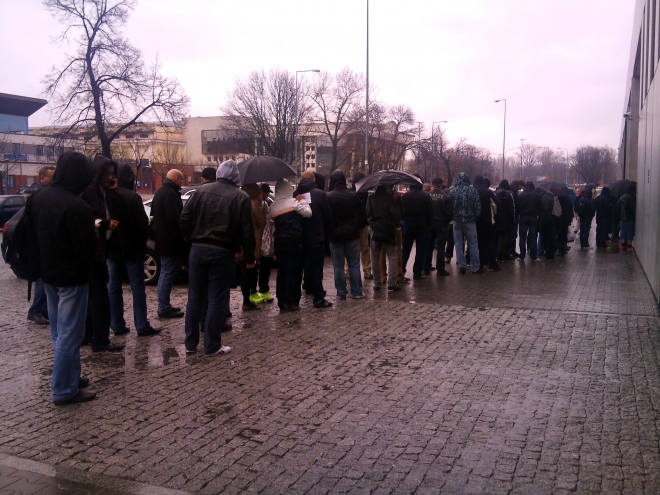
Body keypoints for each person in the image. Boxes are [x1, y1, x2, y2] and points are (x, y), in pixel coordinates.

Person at [33, 151, 97, 405]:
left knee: (59, 330)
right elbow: (85, 247)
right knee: (70, 332)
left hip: (48, 273)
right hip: (71, 276)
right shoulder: (76, 205)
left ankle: (70, 375)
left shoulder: (40, 197)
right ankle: (63, 388)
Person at [180, 160, 255, 355]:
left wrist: (191, 238)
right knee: (216, 298)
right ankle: (212, 345)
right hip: (223, 252)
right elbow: (247, 231)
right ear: (236, 177)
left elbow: (184, 219)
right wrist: (249, 257)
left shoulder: (200, 192)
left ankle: (190, 344)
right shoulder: (241, 197)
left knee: (194, 298)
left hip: (198, 249)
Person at [106, 163, 160, 337]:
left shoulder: (107, 196)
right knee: (137, 286)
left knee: (114, 286)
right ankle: (141, 324)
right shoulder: (133, 197)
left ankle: (116, 323)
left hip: (113, 248)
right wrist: (142, 242)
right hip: (132, 249)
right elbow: (142, 224)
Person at [80, 155, 125, 353]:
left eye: (112, 174)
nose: (110, 177)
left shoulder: (104, 193)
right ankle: (99, 339)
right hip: (92, 253)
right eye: (107, 174)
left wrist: (113, 191)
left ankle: (91, 335)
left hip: (102, 250)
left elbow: (116, 212)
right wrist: (104, 224)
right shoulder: (88, 193)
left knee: (96, 297)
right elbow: (88, 219)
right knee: (99, 298)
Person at [293, 170, 333, 309]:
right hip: (316, 237)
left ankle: (294, 299)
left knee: (298, 269)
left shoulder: (295, 194)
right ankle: (318, 298)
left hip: (299, 238)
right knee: (316, 269)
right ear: (314, 180)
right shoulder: (320, 194)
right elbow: (328, 216)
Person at [271, 179, 312, 312]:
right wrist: (302, 200)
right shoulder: (293, 202)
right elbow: (308, 213)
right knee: (292, 271)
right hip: (293, 240)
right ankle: (290, 300)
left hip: (278, 241)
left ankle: (281, 300)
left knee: (281, 271)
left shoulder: (273, 206)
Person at [152, 169, 186, 318]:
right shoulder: (171, 194)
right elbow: (176, 219)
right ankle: (163, 307)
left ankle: (164, 304)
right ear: (177, 178)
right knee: (167, 273)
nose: (182, 183)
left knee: (165, 273)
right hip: (170, 241)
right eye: (182, 179)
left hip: (162, 240)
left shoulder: (160, 192)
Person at [25, 165, 55, 325]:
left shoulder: (40, 193)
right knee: (43, 279)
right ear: (43, 177)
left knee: (44, 279)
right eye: (51, 176)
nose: (54, 179)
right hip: (40, 243)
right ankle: (36, 310)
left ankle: (42, 309)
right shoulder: (39, 194)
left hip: (41, 242)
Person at [327, 170, 364, 300]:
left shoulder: (329, 197)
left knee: (338, 266)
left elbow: (327, 217)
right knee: (354, 264)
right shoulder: (353, 196)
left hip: (335, 236)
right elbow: (360, 215)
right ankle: (357, 291)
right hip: (351, 235)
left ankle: (341, 292)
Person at [368, 185, 401, 291]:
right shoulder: (390, 198)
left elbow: (368, 214)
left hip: (376, 229)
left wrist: (373, 224)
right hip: (389, 229)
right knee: (392, 255)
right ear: (386, 186)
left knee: (375, 256)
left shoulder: (371, 198)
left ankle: (376, 282)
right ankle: (392, 282)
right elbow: (395, 215)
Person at [240, 183, 267, 310]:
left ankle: (247, 298)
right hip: (253, 238)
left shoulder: (239, 199)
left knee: (244, 269)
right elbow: (261, 222)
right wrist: (264, 211)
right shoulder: (254, 203)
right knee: (251, 268)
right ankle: (249, 297)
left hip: (240, 240)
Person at [449, 172, 481, 274]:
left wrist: (452, 217)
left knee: (458, 243)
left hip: (456, 221)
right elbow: (477, 207)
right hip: (470, 221)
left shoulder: (452, 192)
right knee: (473, 243)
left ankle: (462, 265)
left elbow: (449, 207)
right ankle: (475, 267)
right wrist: (474, 217)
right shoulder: (473, 191)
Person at [401, 176, 433, 279]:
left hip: (408, 226)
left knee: (405, 249)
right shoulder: (426, 197)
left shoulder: (405, 196)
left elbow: (401, 212)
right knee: (421, 249)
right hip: (422, 226)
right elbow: (430, 213)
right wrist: (428, 224)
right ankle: (417, 271)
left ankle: (401, 270)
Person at [425, 178, 452, 276]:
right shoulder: (445, 196)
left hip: (429, 224)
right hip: (442, 224)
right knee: (441, 247)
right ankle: (440, 269)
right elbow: (450, 212)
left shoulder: (427, 196)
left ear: (432, 184)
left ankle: (426, 267)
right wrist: (446, 221)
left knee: (428, 246)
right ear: (441, 185)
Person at [473, 175, 500, 271]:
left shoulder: (472, 191)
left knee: (479, 243)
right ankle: (492, 263)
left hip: (475, 220)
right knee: (490, 242)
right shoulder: (488, 191)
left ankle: (480, 263)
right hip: (488, 220)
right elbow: (497, 203)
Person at [256, 183, 275, 302]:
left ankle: (264, 290)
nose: (267, 195)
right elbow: (260, 222)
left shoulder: (265, 204)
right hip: (257, 240)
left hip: (265, 240)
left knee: (266, 266)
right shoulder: (255, 204)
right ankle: (255, 292)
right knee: (256, 268)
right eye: (266, 192)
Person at [352, 172, 372, 279]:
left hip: (356, 224)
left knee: (354, 248)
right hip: (361, 223)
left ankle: (348, 270)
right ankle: (367, 269)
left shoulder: (360, 193)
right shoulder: (364, 194)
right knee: (364, 248)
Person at [516, 181, 542, 261]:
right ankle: (533, 256)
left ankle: (522, 256)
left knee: (522, 237)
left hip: (523, 217)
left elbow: (517, 207)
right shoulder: (536, 195)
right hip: (533, 217)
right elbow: (540, 206)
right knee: (533, 237)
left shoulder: (521, 195)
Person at [495, 180, 516, 262]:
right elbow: (512, 209)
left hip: (496, 220)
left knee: (496, 238)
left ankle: (496, 255)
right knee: (504, 238)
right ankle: (501, 255)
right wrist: (513, 220)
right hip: (506, 220)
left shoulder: (495, 193)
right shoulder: (509, 195)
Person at [618, 184, 636, 251]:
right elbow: (632, 208)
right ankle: (629, 245)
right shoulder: (632, 198)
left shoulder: (622, 197)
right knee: (630, 231)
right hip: (630, 217)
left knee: (623, 230)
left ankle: (622, 244)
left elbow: (618, 206)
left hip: (622, 217)